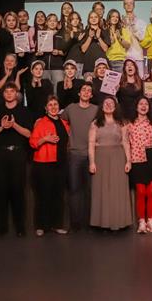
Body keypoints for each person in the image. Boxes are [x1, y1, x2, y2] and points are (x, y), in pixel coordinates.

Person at [0, 82, 32, 237]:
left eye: (12, 91)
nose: (9, 94)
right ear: (3, 94)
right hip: (0, 155)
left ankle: (20, 228)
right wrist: (2, 127)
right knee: (0, 191)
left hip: (18, 154)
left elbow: (29, 134)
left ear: (16, 93)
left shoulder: (24, 111)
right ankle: (1, 228)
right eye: (7, 91)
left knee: (18, 191)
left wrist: (14, 125)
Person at [88, 96, 132, 231]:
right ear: (102, 107)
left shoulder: (122, 123)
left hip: (118, 158)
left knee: (117, 190)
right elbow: (91, 143)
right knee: (101, 190)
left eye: (111, 103)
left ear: (115, 107)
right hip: (100, 158)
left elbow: (125, 142)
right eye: (106, 103)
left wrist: (128, 161)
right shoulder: (95, 123)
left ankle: (118, 222)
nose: (108, 105)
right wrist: (92, 162)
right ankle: (102, 223)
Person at [29, 95, 70, 237]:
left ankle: (57, 225)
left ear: (59, 107)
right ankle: (40, 226)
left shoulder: (64, 123)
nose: (53, 107)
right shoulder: (41, 123)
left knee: (58, 196)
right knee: (43, 196)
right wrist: (45, 139)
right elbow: (32, 143)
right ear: (46, 108)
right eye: (50, 105)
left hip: (60, 164)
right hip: (44, 164)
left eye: (55, 104)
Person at [61, 82, 98, 232]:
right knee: (74, 190)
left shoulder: (96, 110)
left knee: (90, 191)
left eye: (89, 90)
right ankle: (75, 224)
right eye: (84, 90)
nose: (86, 92)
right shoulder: (70, 108)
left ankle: (91, 223)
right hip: (74, 155)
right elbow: (58, 121)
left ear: (92, 95)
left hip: (91, 155)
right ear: (79, 93)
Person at [128, 97, 152, 234]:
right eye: (141, 104)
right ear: (136, 107)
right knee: (141, 192)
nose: (143, 106)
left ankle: (150, 221)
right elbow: (125, 142)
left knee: (151, 192)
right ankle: (141, 222)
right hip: (136, 160)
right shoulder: (130, 124)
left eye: (146, 104)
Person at [122, 0, 147, 77]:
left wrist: (133, 26)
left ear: (134, 5)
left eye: (131, 3)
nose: (129, 5)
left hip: (138, 57)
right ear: (123, 6)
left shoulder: (141, 22)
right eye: (126, 4)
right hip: (124, 57)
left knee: (139, 81)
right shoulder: (120, 22)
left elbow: (142, 38)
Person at [80, 10, 110, 75]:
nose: (93, 19)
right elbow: (83, 49)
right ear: (88, 20)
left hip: (102, 67)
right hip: (89, 66)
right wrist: (90, 37)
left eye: (95, 17)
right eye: (91, 17)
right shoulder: (84, 32)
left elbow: (105, 49)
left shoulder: (105, 31)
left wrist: (99, 37)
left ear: (99, 19)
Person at [104, 9, 131, 73]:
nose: (115, 18)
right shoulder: (105, 30)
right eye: (113, 16)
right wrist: (111, 39)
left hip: (120, 60)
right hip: (108, 60)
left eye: (117, 17)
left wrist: (119, 38)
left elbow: (127, 46)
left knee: (121, 79)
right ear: (109, 17)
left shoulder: (123, 30)